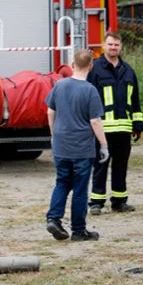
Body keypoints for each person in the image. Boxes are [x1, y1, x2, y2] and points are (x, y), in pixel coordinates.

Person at [45, 49, 109, 242]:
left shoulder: (60, 85)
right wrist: (103, 145)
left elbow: (50, 112)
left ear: (72, 65)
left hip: (61, 145)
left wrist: (53, 134)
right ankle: (79, 230)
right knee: (80, 189)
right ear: (91, 66)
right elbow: (95, 121)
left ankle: (53, 219)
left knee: (62, 183)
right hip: (81, 148)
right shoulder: (90, 90)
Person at [87, 32, 143, 215]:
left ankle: (119, 202)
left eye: (116, 45)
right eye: (110, 44)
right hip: (102, 129)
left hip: (124, 128)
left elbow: (135, 99)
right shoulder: (95, 69)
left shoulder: (128, 70)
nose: (113, 48)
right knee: (100, 165)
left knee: (121, 166)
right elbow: (88, 98)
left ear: (121, 47)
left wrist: (138, 124)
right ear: (104, 45)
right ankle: (96, 202)